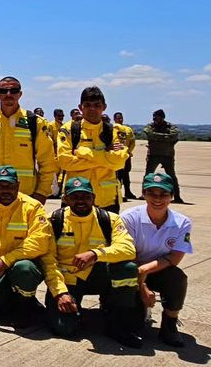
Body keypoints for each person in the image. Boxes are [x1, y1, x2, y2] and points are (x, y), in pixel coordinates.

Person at [42, 176, 141, 346]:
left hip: (98, 277)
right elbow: (47, 260)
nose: (80, 201)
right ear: (66, 199)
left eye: (85, 197)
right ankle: (73, 311)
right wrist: (60, 293)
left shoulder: (109, 219)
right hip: (68, 282)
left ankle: (116, 319)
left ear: (93, 198)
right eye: (74, 197)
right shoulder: (54, 220)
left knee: (128, 268)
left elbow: (128, 249)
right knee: (64, 329)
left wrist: (95, 254)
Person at [0, 165, 51, 327]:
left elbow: (40, 242)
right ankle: (7, 298)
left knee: (25, 269)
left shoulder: (33, 207)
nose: (5, 191)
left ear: (18, 185)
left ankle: (24, 307)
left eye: (10, 186)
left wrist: (6, 260)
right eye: (0, 186)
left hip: (18, 264)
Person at [121, 172, 191, 347]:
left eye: (164, 194)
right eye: (152, 193)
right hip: (130, 267)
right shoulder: (129, 217)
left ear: (172, 197)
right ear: (144, 194)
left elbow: (175, 257)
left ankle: (170, 324)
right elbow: (125, 254)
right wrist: (141, 284)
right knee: (134, 325)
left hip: (158, 269)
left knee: (177, 278)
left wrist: (144, 271)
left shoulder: (182, 223)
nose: (157, 199)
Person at [0, 76, 57, 204]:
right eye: (3, 91)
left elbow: (47, 161)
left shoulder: (35, 122)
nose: (8, 94)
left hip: (26, 195)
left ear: (20, 94)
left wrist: (42, 193)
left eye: (13, 91)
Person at [56, 86, 128, 212]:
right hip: (75, 198)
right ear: (80, 107)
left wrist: (83, 153)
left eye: (97, 105)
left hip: (107, 201)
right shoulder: (69, 130)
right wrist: (105, 157)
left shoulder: (115, 132)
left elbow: (119, 163)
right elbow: (65, 162)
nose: (92, 109)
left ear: (104, 107)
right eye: (87, 105)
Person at [144, 110, 184, 203]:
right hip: (153, 155)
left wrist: (157, 137)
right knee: (148, 176)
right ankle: (145, 194)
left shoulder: (171, 127)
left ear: (162, 117)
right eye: (154, 117)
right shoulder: (150, 126)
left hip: (167, 155)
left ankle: (177, 196)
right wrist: (166, 137)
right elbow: (149, 134)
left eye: (156, 117)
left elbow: (174, 136)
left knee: (171, 176)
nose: (154, 119)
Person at [113, 112, 137, 200]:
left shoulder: (128, 129)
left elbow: (132, 142)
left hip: (126, 156)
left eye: (121, 118)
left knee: (126, 175)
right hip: (116, 156)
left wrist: (128, 152)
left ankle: (128, 192)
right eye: (118, 118)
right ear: (114, 119)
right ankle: (118, 193)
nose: (120, 120)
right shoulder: (112, 128)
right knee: (118, 176)